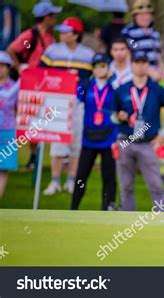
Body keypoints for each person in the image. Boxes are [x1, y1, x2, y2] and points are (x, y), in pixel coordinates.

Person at [113, 51, 164, 211]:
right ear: (132, 64)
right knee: (126, 186)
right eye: (137, 62)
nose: (140, 65)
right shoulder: (122, 89)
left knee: (156, 185)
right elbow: (112, 117)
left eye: (143, 62)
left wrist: (163, 135)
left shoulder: (156, 89)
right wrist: (119, 117)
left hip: (148, 143)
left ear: (148, 65)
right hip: (125, 140)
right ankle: (127, 219)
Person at [40, 17, 95, 195]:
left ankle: (72, 179)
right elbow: (41, 73)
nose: (62, 34)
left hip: (79, 104)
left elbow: (93, 79)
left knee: (76, 142)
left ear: (76, 34)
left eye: (66, 31)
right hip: (57, 102)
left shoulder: (88, 54)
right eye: (61, 31)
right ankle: (55, 181)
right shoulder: (52, 51)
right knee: (57, 142)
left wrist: (81, 83)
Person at [7, 0, 62, 170]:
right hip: (30, 82)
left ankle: (36, 156)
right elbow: (11, 50)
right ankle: (32, 156)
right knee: (30, 119)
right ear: (46, 17)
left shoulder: (50, 36)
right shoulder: (31, 36)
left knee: (40, 118)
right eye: (53, 15)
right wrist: (20, 67)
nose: (55, 19)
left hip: (44, 81)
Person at [71, 53, 117, 211]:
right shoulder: (86, 85)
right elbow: (74, 101)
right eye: (96, 66)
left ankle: (107, 208)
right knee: (81, 176)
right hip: (88, 138)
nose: (100, 69)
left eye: (103, 66)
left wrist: (113, 79)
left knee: (109, 177)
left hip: (109, 138)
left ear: (108, 67)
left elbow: (123, 96)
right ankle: (73, 208)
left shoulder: (114, 84)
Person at [121, 0, 164, 81]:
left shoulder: (154, 32)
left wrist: (161, 69)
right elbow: (128, 55)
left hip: (154, 77)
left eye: (148, 14)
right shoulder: (128, 32)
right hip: (136, 76)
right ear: (135, 16)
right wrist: (148, 71)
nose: (146, 18)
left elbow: (158, 55)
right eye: (142, 15)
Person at [0, 52, 18, 198]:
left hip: (7, 130)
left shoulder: (14, 86)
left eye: (2, 66)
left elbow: (20, 108)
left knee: (3, 168)